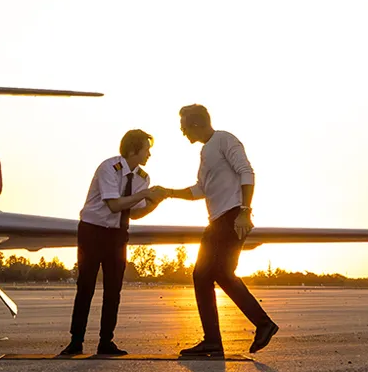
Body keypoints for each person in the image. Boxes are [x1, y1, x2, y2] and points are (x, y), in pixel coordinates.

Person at [58, 129, 174, 357]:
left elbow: (134, 212)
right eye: (146, 149)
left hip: (118, 234)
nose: (149, 154)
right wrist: (145, 195)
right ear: (133, 150)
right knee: (86, 286)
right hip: (93, 231)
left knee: (114, 289)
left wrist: (154, 202)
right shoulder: (109, 168)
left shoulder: (143, 178)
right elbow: (113, 205)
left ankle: (106, 341)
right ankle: (76, 341)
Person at [176, 104, 278, 357]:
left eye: (184, 126)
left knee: (211, 274)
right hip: (217, 220)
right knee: (212, 274)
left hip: (232, 216)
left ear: (196, 124)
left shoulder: (224, 139)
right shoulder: (205, 151)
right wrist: (168, 193)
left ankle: (245, 330)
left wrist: (245, 211)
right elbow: (200, 190)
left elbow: (246, 172)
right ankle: (241, 331)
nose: (182, 131)